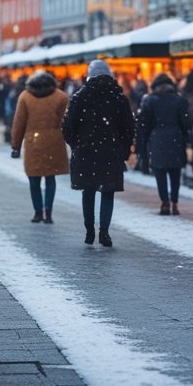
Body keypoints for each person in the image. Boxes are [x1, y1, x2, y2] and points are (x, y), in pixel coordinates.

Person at [63, 60, 135, 247]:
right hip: (111, 152)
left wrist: (76, 144)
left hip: (86, 151)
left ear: (90, 75)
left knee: (88, 191)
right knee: (107, 191)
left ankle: (89, 230)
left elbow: (68, 127)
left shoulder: (80, 97)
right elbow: (129, 128)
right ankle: (104, 231)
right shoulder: (118, 97)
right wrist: (124, 150)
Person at [11, 70, 69, 224]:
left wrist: (15, 145)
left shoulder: (25, 97)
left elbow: (19, 123)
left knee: (34, 179)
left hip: (33, 142)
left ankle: (37, 212)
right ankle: (48, 211)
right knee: (50, 178)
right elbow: (68, 122)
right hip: (54, 141)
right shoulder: (61, 97)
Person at [138, 72, 192, 215]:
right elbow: (186, 123)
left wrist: (143, 144)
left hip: (157, 139)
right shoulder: (179, 100)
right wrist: (186, 139)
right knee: (175, 173)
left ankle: (165, 203)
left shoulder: (150, 101)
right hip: (176, 138)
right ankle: (175, 202)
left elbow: (144, 125)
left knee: (160, 173)